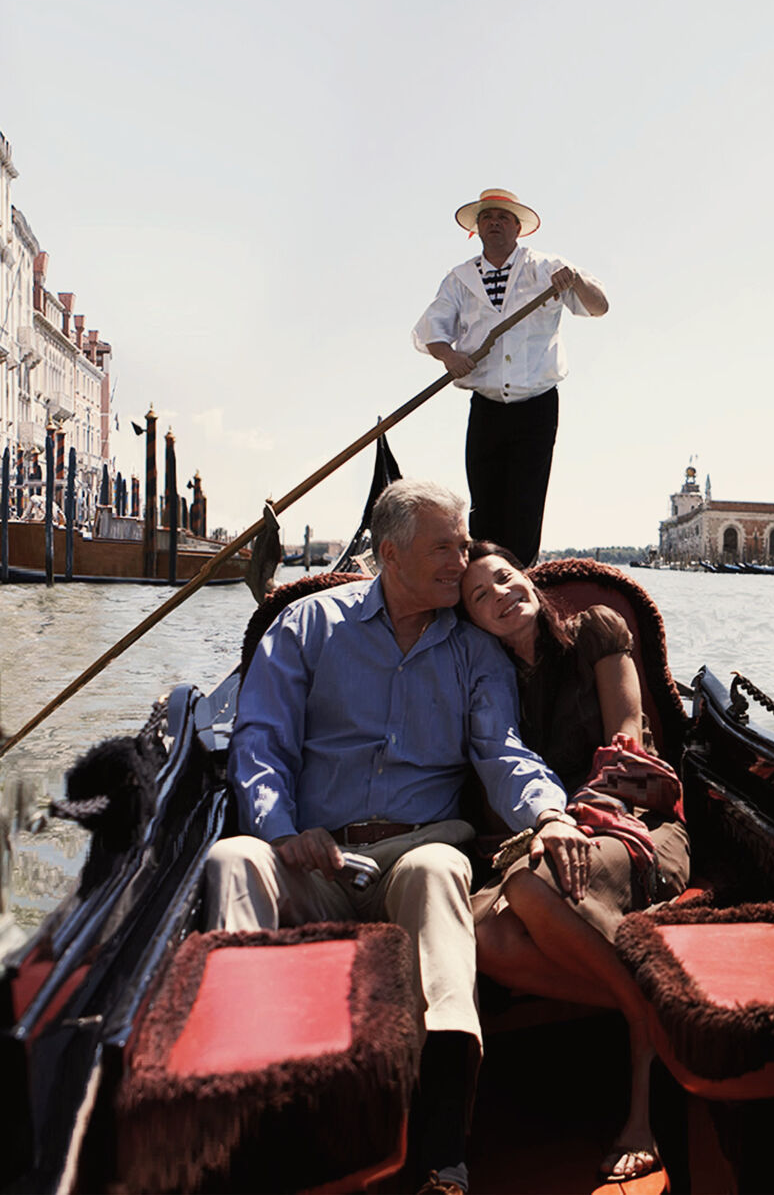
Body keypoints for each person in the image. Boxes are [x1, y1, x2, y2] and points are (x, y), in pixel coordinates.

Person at [204, 481, 572, 1195]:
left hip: (413, 857)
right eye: (447, 546)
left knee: (439, 870)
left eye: (464, 544)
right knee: (231, 859)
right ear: (389, 554)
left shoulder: (475, 651)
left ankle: (442, 1155)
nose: (460, 560)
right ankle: (244, 1114)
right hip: (310, 860)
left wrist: (547, 812)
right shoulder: (308, 625)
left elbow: (501, 752)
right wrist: (281, 833)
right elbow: (259, 744)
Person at [460, 541, 690, 1184]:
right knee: (481, 931)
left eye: (505, 579)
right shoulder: (488, 678)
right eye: (479, 596)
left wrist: (567, 819)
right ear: (471, 619)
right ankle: (645, 1013)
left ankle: (641, 1096)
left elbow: (629, 748)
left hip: (634, 825)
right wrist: (546, 826)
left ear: (526, 580)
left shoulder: (596, 630)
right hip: (548, 839)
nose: (500, 596)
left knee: (530, 887)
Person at [412, 188, 608, 566]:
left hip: (536, 406)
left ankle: (518, 581)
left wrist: (578, 280)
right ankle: (483, 584)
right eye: (488, 218)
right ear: (478, 229)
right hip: (486, 408)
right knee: (483, 508)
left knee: (525, 505)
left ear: (518, 228)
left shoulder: (546, 267)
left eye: (503, 218)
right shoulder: (459, 279)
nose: (495, 223)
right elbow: (430, 331)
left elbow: (599, 307)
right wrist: (449, 355)